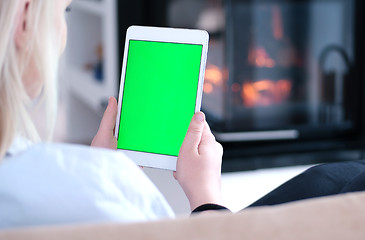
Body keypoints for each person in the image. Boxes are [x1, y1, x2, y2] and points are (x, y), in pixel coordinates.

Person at [0, 0, 225, 229]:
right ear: (26, 20)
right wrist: (207, 199)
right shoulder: (107, 198)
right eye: (64, 10)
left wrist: (98, 170)